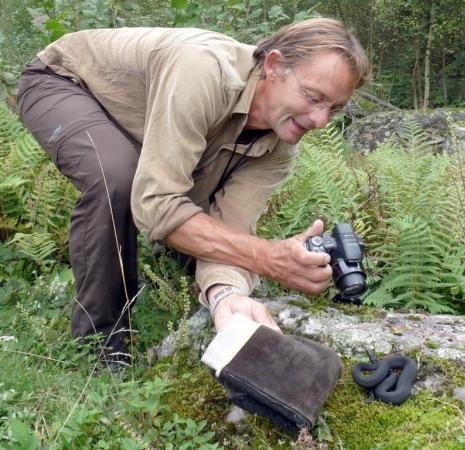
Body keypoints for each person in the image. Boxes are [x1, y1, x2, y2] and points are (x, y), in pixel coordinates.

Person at [17, 19, 370, 366]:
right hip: (64, 81)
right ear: (274, 66)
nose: (321, 121)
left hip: (141, 119)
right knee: (118, 178)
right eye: (313, 97)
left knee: (191, 213)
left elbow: (230, 227)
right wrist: (268, 258)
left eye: (334, 109)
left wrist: (225, 295)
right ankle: (101, 346)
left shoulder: (277, 151)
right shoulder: (203, 72)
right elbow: (156, 206)